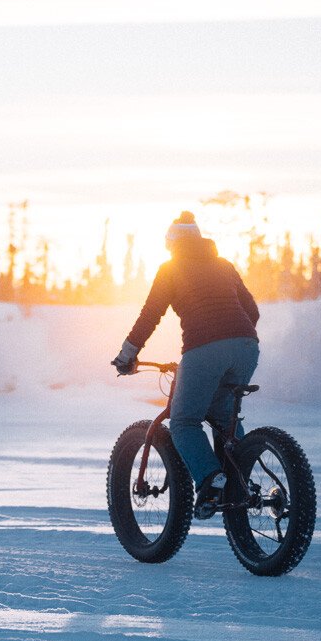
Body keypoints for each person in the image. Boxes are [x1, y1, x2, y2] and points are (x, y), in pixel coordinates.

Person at [111, 211, 260, 516]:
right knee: (224, 416)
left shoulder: (170, 269)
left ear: (172, 244)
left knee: (183, 421)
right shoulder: (224, 265)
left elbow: (150, 315)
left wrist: (128, 355)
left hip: (204, 348)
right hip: (248, 345)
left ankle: (210, 477)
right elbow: (252, 311)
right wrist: (234, 337)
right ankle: (240, 481)